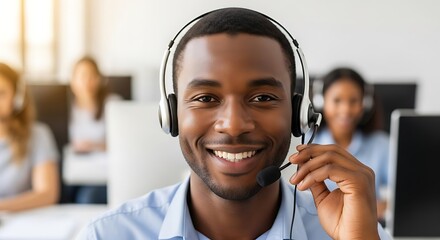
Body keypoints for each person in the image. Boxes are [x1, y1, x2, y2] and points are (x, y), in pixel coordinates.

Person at [78, 8, 390, 239]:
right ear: (170, 115)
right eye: (205, 98)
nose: (234, 125)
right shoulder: (107, 234)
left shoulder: (354, 231)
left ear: (298, 114)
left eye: (263, 98)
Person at [312, 67, 389, 220]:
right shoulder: (306, 141)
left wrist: (383, 206)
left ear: (364, 104)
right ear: (321, 102)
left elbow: (407, 192)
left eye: (353, 101)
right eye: (337, 100)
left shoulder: (381, 144)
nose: (345, 110)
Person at [0, 63, 59, 212]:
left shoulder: (38, 135)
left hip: (23, 223)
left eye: (1, 93)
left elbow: (47, 194)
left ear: (17, 98)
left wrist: (2, 207)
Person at [67, 56, 117, 204]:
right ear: (72, 80)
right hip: (76, 170)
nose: (87, 82)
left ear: (99, 79)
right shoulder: (65, 109)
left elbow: (122, 144)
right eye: (82, 76)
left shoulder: (113, 104)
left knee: (87, 198)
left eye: (92, 76)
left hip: (103, 173)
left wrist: (94, 146)